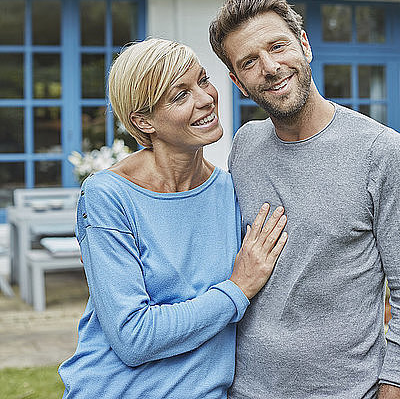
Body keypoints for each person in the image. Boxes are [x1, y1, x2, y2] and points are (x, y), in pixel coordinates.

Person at [59, 38, 287, 399]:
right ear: (143, 120)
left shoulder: (230, 190)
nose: (206, 98)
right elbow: (133, 336)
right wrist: (237, 288)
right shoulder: (108, 195)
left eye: (202, 80)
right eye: (180, 95)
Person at [209, 0, 400, 399]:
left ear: (305, 45)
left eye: (277, 46)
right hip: (244, 390)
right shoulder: (245, 146)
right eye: (249, 61)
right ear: (238, 82)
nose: (271, 67)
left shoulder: (380, 151)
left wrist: (392, 387)